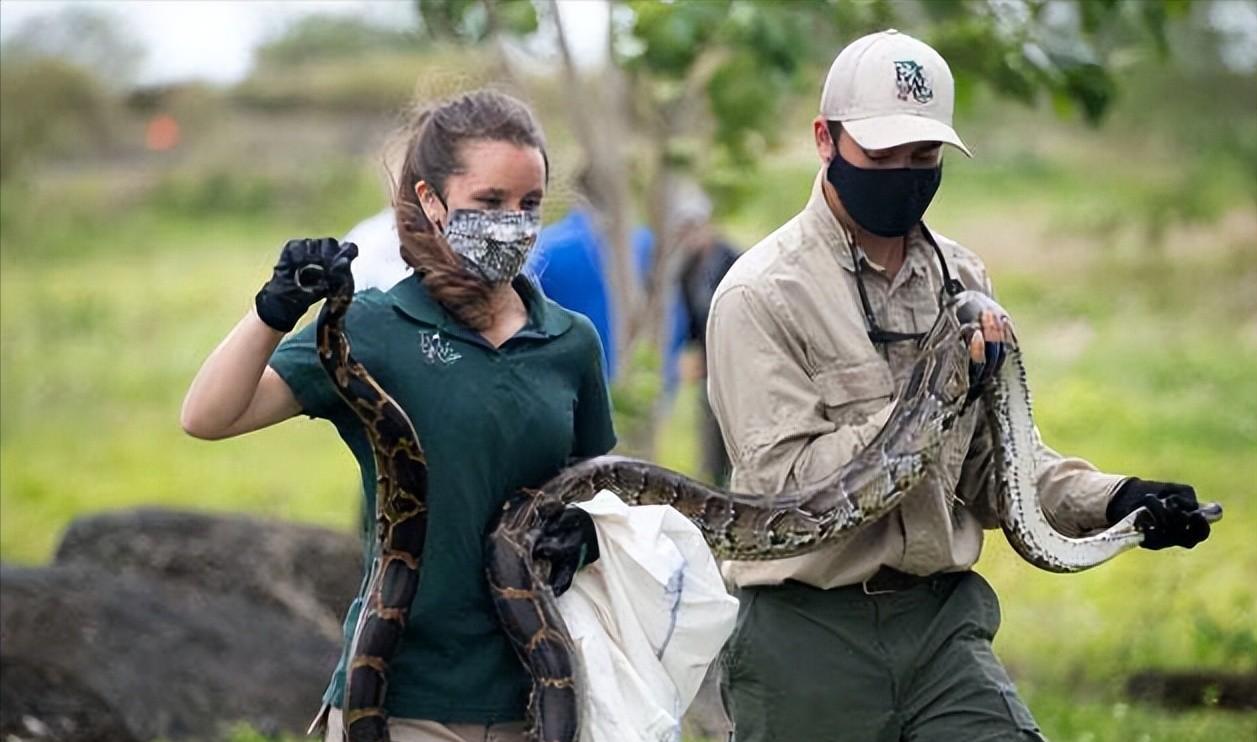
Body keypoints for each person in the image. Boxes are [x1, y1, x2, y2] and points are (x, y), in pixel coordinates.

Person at [705, 30, 1213, 742]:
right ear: (825, 138)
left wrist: (1116, 500)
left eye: (923, 157)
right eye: (880, 156)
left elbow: (994, 469)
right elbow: (784, 489)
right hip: (808, 634)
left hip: (941, 624)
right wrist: (932, 393)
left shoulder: (962, 281)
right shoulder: (759, 296)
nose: (904, 175)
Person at [181, 90, 614, 742]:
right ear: (433, 202)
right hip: (397, 700)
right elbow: (209, 415)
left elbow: (602, 491)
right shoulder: (376, 327)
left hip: (535, 698)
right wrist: (274, 308)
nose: (513, 224)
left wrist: (579, 534)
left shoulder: (569, 341)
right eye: (490, 203)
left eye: (529, 205)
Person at [670, 180, 737, 486]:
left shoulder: (733, 260)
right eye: (684, 228)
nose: (690, 234)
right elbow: (690, 325)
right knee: (711, 451)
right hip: (710, 372)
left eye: (693, 226)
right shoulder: (685, 271)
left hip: (740, 367)